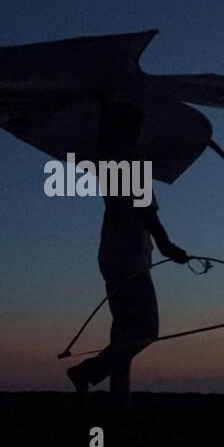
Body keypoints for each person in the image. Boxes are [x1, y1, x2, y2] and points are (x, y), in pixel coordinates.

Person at [66, 102, 189, 408]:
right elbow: (144, 209)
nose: (140, 132)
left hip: (113, 254)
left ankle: (120, 401)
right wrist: (167, 245)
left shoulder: (109, 160)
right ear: (129, 130)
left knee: (124, 333)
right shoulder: (130, 162)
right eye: (136, 127)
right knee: (145, 330)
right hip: (129, 258)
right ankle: (86, 372)